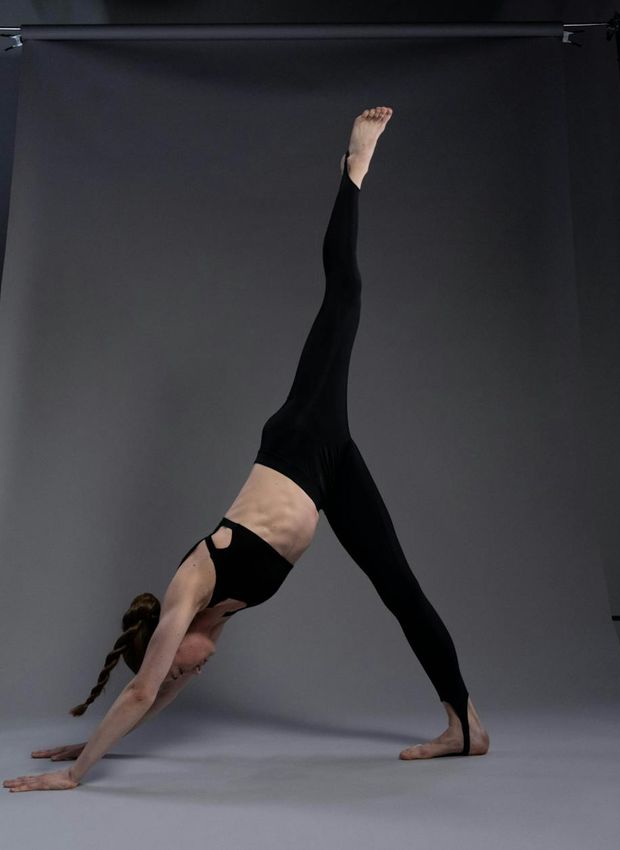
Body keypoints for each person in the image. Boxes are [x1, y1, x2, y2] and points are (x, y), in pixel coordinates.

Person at [4, 107, 489, 793]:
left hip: (299, 441)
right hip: (327, 473)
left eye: (179, 664)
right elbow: (153, 696)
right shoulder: (212, 620)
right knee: (401, 590)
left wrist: (76, 776)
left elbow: (142, 690)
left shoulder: (190, 589)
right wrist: (94, 744)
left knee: (344, 296)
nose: (191, 671)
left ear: (170, 639)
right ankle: (466, 726)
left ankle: (353, 169)